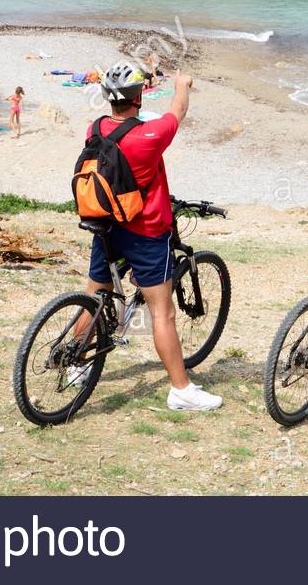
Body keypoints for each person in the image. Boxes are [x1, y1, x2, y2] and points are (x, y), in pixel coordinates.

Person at [79, 62, 222, 412]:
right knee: (163, 312)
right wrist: (182, 82)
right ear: (138, 96)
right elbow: (179, 109)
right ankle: (181, 389)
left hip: (106, 225)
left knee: (96, 293)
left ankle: (76, 362)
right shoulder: (150, 136)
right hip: (145, 233)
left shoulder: (94, 129)